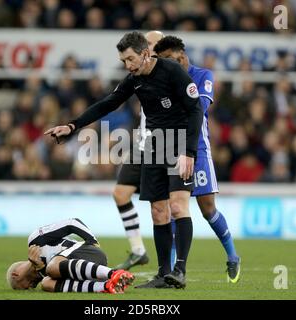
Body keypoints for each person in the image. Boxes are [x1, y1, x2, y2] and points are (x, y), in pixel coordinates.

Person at [45, 31, 204, 289]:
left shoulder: (172, 71)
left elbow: (195, 110)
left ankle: (180, 270)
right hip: (155, 143)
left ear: (144, 54)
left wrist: (189, 152)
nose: (127, 66)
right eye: (123, 62)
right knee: (158, 210)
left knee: (177, 206)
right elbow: (107, 103)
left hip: (179, 141)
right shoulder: (134, 79)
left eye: (130, 59)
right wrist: (72, 126)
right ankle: (164, 274)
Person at [154, 35, 241, 283]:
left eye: (169, 59)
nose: (165, 65)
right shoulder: (165, 80)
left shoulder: (203, 75)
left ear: (182, 56)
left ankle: (232, 255)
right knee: (174, 209)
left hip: (197, 150)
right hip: (171, 149)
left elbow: (200, 107)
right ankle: (172, 270)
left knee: (207, 208)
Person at [113, 30, 164, 271]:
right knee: (121, 194)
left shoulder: (169, 73)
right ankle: (138, 250)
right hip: (141, 144)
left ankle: (171, 262)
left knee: (162, 207)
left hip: (164, 145)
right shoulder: (138, 74)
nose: (150, 46)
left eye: (153, 43)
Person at [6, 218, 135, 293]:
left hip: (89, 252)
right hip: (89, 271)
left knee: (52, 268)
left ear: (16, 274)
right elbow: (51, 273)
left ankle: (114, 273)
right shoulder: (44, 274)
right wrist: (40, 268)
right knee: (47, 284)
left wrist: (92, 241)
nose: (31, 287)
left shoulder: (35, 240)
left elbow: (72, 223)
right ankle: (107, 286)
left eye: (24, 286)